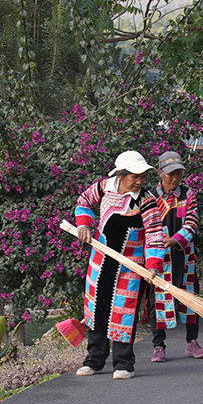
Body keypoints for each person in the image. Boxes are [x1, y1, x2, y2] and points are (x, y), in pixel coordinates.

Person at [74, 150, 165, 379]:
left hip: (130, 268)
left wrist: (153, 266)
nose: (139, 182)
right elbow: (83, 202)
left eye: (143, 177)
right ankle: (94, 361)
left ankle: (123, 364)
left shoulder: (147, 202)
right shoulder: (104, 187)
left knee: (124, 314)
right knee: (97, 309)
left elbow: (155, 236)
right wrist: (84, 224)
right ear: (121, 175)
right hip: (101, 262)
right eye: (134, 177)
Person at [146, 151, 203, 362]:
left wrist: (176, 240)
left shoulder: (187, 194)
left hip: (184, 255)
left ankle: (192, 342)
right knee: (157, 300)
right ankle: (158, 346)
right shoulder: (150, 197)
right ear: (160, 173)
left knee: (191, 298)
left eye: (179, 173)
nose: (175, 179)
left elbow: (192, 222)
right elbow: (146, 225)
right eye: (171, 174)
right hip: (159, 257)